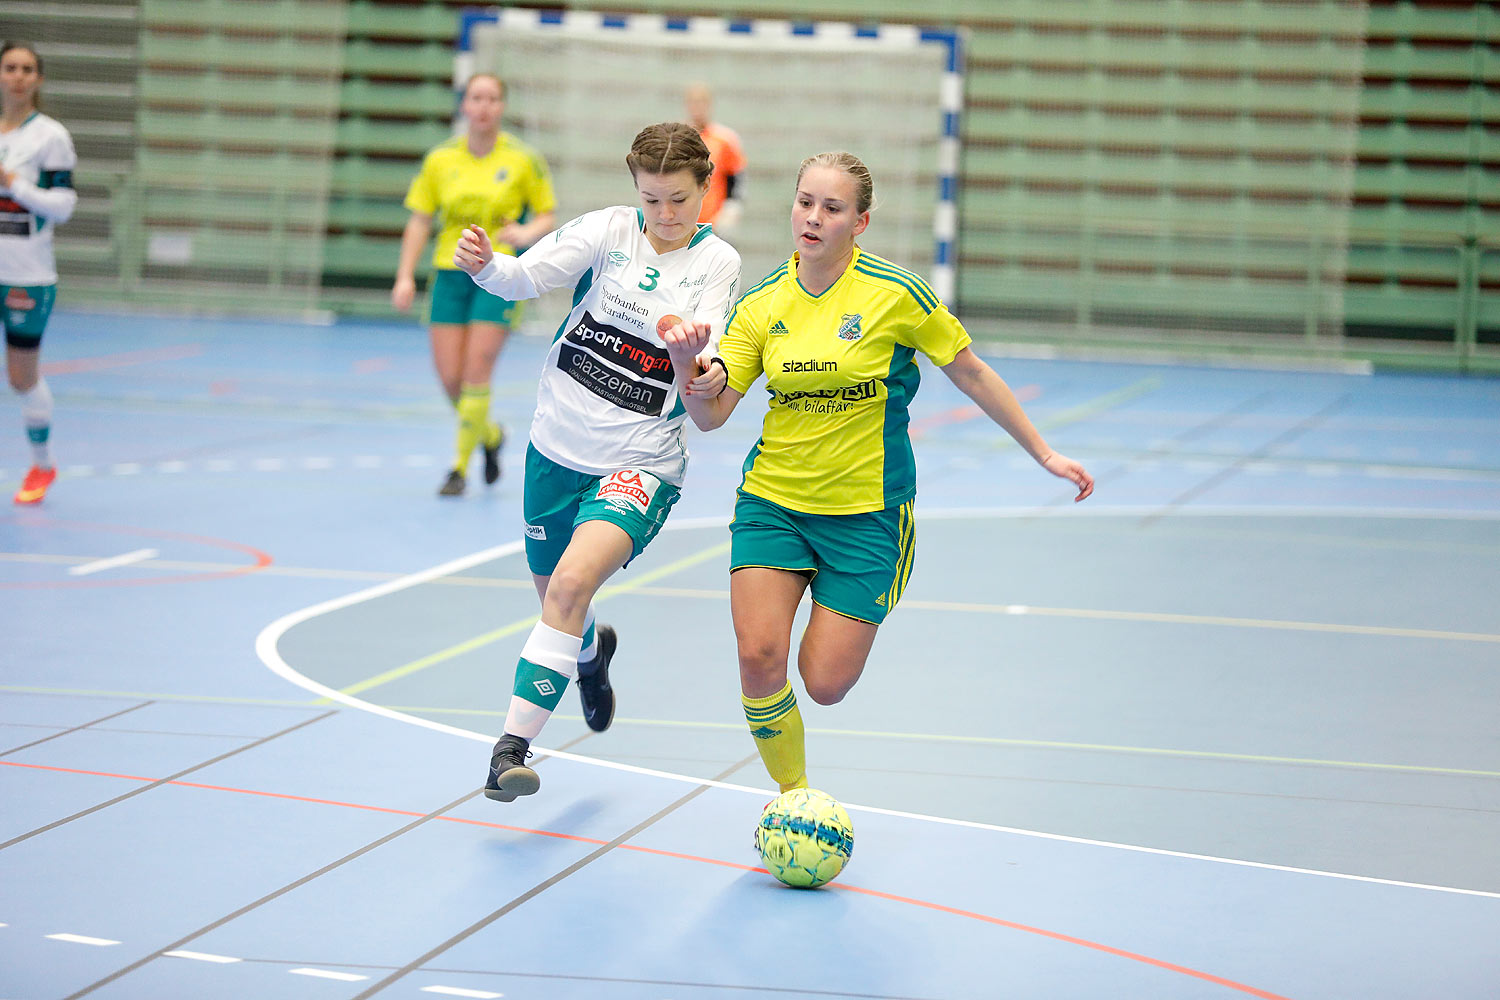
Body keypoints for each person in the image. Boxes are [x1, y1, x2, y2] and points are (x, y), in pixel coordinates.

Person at [661, 151, 1094, 793]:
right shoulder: (760, 305)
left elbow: (970, 371)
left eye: (831, 208)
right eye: (804, 202)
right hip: (773, 501)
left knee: (825, 683)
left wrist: (1044, 453)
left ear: (859, 224)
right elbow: (712, 414)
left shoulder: (896, 295)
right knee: (758, 659)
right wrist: (688, 369)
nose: (812, 218)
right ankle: (795, 798)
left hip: (867, 515)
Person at [452, 122, 739, 802]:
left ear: (706, 190)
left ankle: (508, 752)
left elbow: (711, 367)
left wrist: (692, 353)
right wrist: (485, 265)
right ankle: (589, 656)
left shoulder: (716, 263)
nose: (665, 215)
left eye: (678, 199)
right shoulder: (609, 230)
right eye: (651, 200)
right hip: (555, 449)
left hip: (638, 462)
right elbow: (522, 278)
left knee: (571, 587)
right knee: (556, 599)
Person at [393, 73, 557, 497]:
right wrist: (404, 276)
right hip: (450, 274)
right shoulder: (440, 159)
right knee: (451, 380)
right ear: (464, 105)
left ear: (502, 106)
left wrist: (525, 233)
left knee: (476, 371)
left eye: (492, 98)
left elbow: (545, 214)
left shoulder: (523, 159)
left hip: (498, 274)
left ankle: (457, 468)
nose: (484, 106)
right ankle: (489, 436)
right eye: (476, 97)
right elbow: (419, 219)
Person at [1, 42, 76, 506]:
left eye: (28, 69)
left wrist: (15, 185)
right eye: (10, 68)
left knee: (22, 378)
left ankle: (42, 466)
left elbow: (64, 207)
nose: (18, 76)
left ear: (39, 80)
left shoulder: (51, 137)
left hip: (26, 275)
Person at [684, 83, 745, 241]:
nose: (697, 108)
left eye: (702, 102)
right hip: (685, 218)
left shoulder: (724, 139)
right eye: (694, 102)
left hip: (714, 221)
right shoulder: (679, 139)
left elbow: (735, 177)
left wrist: (730, 209)